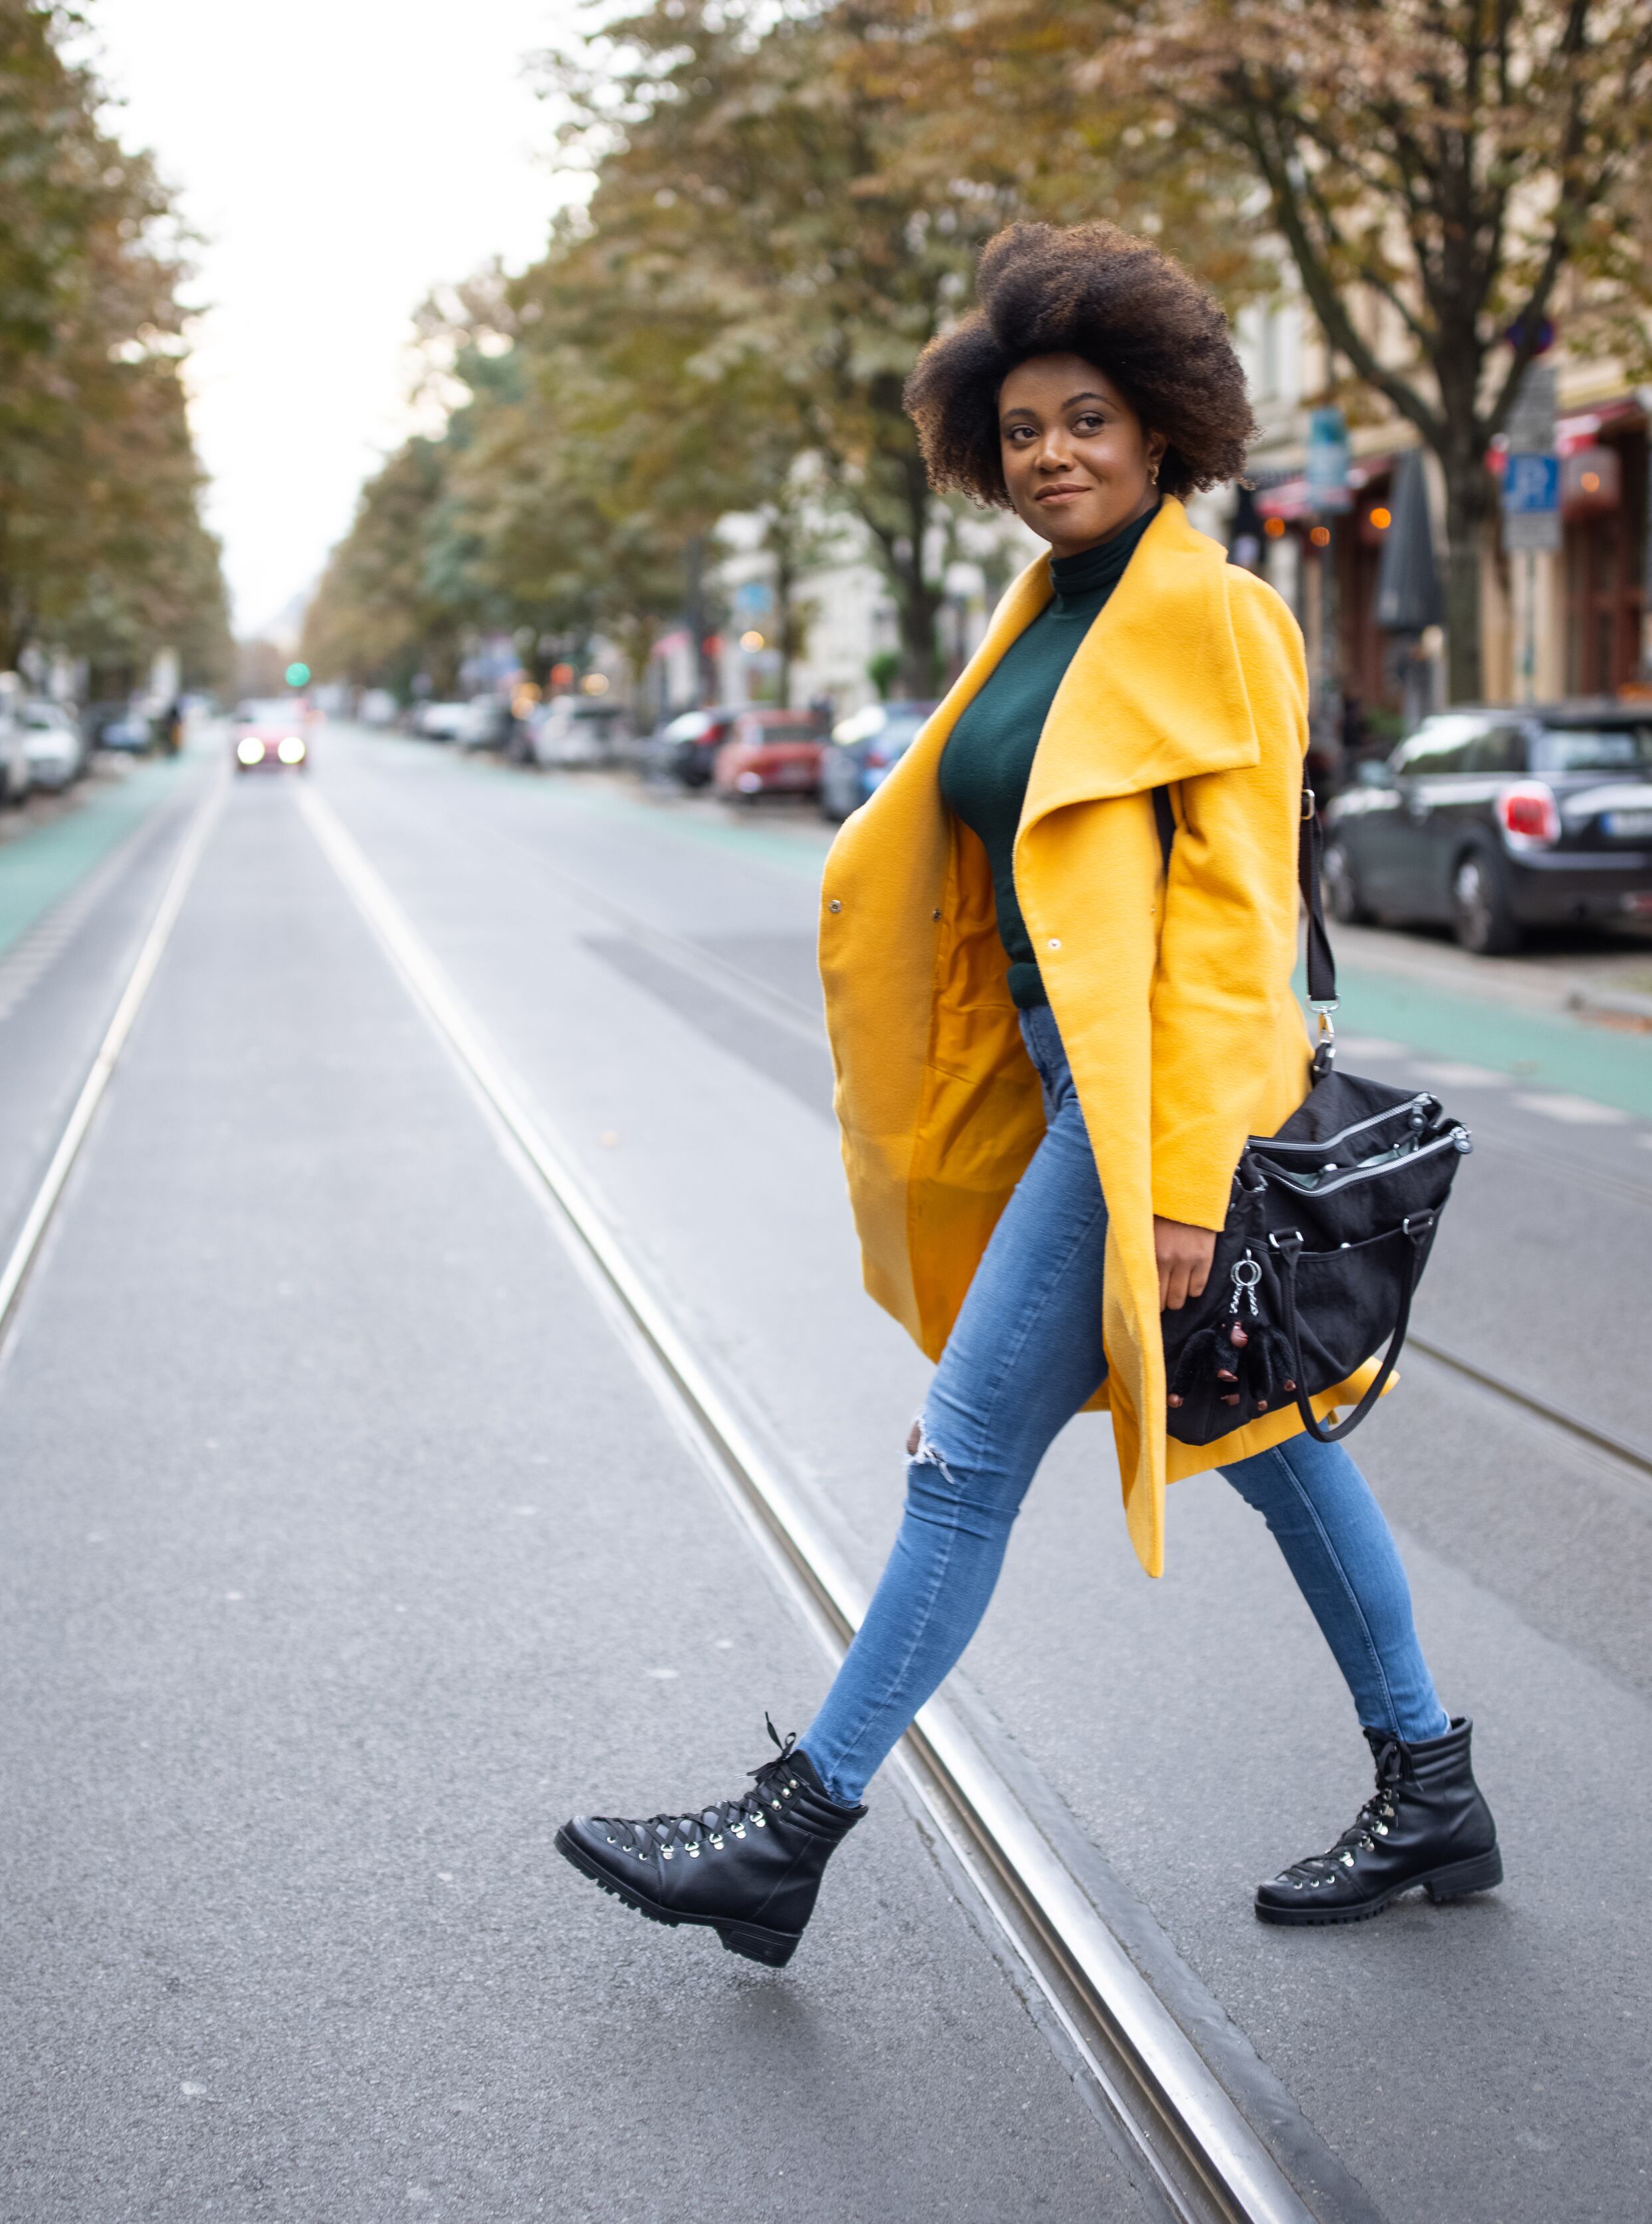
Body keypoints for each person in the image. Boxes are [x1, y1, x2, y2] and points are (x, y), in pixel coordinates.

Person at [555, 223, 1497, 1969]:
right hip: (1060, 1085)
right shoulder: (1043, 612)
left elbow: (1234, 931)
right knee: (1268, 1436)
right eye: (1022, 430)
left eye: (1087, 419)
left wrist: (1188, 1186)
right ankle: (1431, 1781)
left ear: (1160, 433)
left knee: (962, 1459)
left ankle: (791, 1833)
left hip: (1144, 1118)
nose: (1052, 451)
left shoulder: (1218, 619)